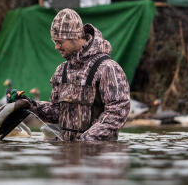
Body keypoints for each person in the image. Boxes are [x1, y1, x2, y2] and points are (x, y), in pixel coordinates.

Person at [21, 8, 130, 141]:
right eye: (54, 41)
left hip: (97, 156)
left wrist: (85, 141)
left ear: (76, 37)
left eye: (59, 42)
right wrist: (30, 105)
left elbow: (118, 112)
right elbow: (57, 113)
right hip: (66, 156)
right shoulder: (61, 71)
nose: (56, 47)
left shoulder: (107, 68)